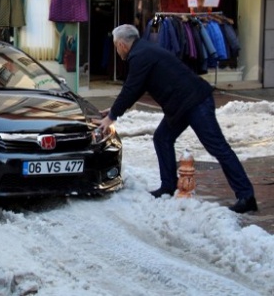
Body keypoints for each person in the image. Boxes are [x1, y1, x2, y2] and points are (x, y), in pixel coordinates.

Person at [98, 24, 258, 214]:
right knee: (162, 138)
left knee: (218, 147)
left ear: (122, 44)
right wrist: (114, 109)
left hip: (195, 102)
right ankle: (168, 185)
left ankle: (246, 196)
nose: (117, 50)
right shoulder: (144, 50)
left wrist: (111, 117)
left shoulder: (140, 56)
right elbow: (138, 88)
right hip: (181, 105)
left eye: (116, 46)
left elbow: (131, 88)